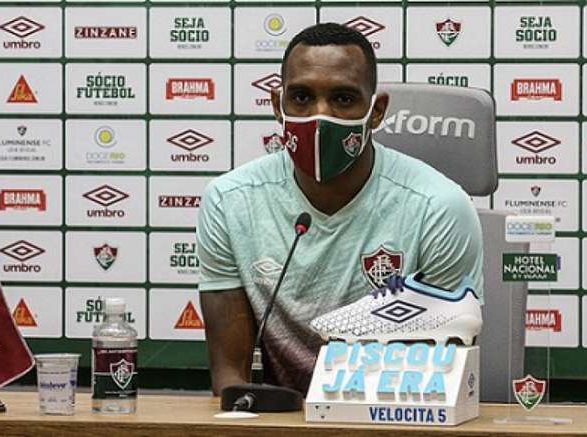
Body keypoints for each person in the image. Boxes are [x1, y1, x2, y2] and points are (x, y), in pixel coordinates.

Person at [197, 23, 484, 396]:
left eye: (343, 100)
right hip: (276, 420)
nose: (320, 117)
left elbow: (441, 377)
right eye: (300, 97)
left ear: (376, 111)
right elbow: (230, 377)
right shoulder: (229, 201)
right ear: (277, 106)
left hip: (393, 418)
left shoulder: (438, 208)